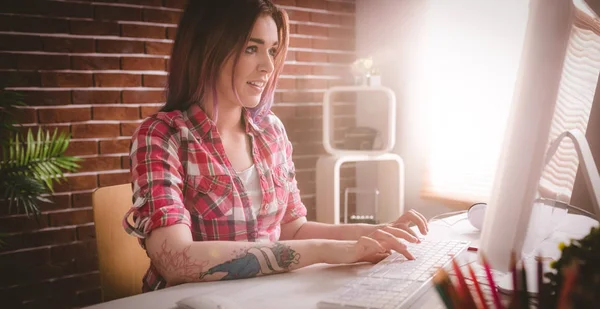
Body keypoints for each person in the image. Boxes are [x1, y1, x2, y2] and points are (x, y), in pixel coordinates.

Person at [123, 0, 429, 292]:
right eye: (251, 48)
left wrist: (374, 233)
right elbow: (176, 260)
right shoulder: (161, 136)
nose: (268, 66)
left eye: (272, 50)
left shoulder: (272, 131)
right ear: (207, 50)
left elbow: (293, 229)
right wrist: (326, 250)